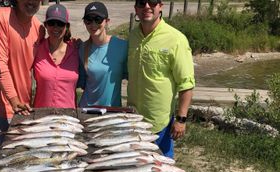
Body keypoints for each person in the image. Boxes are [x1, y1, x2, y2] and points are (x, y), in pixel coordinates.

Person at [127, 0, 195, 158]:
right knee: (136, 166)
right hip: (133, 120)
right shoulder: (132, 37)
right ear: (136, 8)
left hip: (159, 124)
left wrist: (181, 119)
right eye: (141, 3)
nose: (147, 7)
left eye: (152, 2)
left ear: (160, 6)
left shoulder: (176, 39)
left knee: (160, 167)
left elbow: (186, 84)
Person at [0, 0, 44, 144]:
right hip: (1, 107)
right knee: (5, 152)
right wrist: (13, 99)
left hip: (24, 106)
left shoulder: (40, 28)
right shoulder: (0, 17)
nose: (31, 1)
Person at [78, 2, 128, 107]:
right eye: (88, 20)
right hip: (86, 110)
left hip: (112, 111)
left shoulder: (122, 46)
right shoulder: (81, 48)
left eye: (98, 19)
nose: (93, 24)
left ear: (107, 21)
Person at [33, 4, 79, 108]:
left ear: (67, 26)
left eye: (60, 23)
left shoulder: (76, 50)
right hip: (41, 114)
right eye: (51, 23)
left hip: (68, 115)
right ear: (45, 25)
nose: (55, 27)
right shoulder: (37, 49)